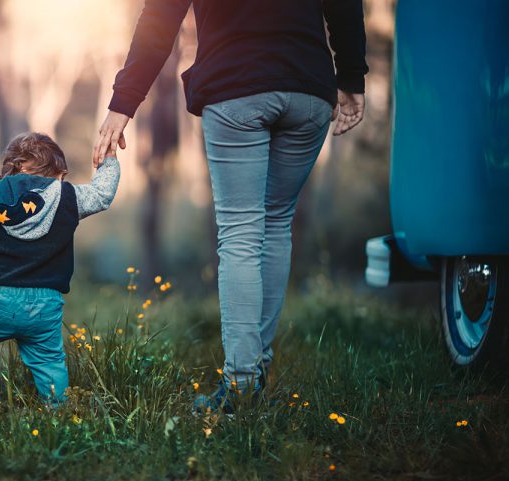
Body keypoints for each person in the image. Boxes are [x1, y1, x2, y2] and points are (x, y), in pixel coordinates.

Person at [93, 0, 368, 413]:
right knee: (275, 223)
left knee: (241, 231)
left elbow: (160, 18)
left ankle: (241, 382)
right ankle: (256, 369)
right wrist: (351, 77)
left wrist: (122, 104)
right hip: (308, 89)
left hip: (237, 86)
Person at [0, 132, 120, 406]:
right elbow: (102, 195)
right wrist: (109, 160)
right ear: (58, 172)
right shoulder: (67, 195)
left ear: (10, 167)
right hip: (45, 303)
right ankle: (59, 411)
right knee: (48, 359)